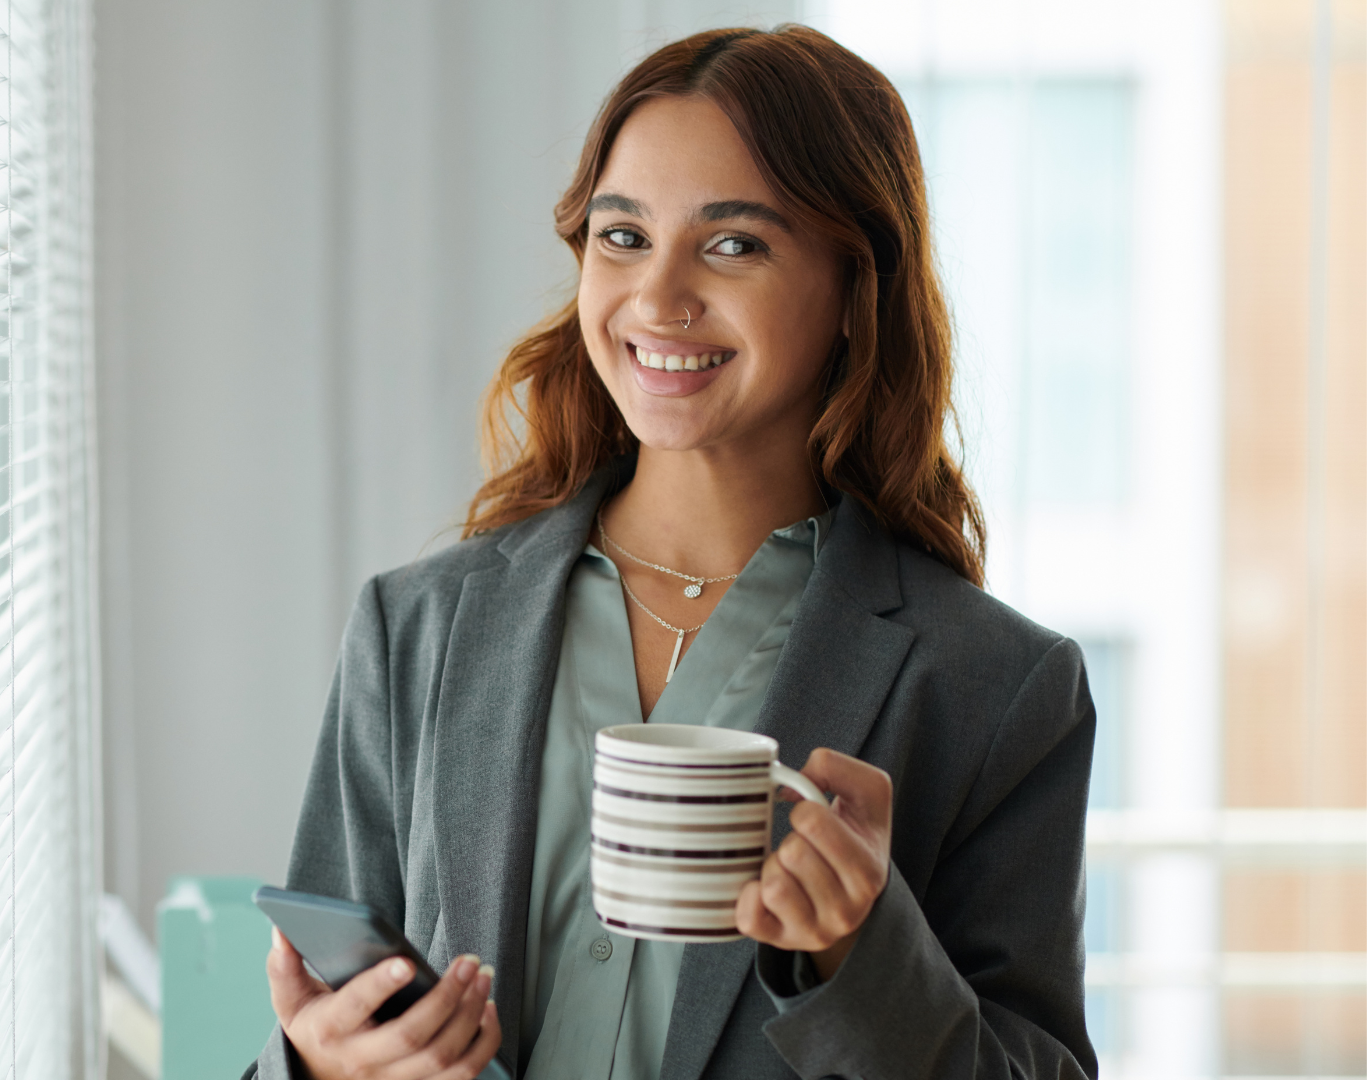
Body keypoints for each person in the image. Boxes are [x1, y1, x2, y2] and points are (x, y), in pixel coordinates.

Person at [252, 25, 1096, 1080]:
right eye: (623, 237)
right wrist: (322, 1065)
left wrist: (860, 957)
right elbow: (330, 1011)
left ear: (853, 286)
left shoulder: (997, 688)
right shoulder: (416, 630)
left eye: (734, 243)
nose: (657, 299)